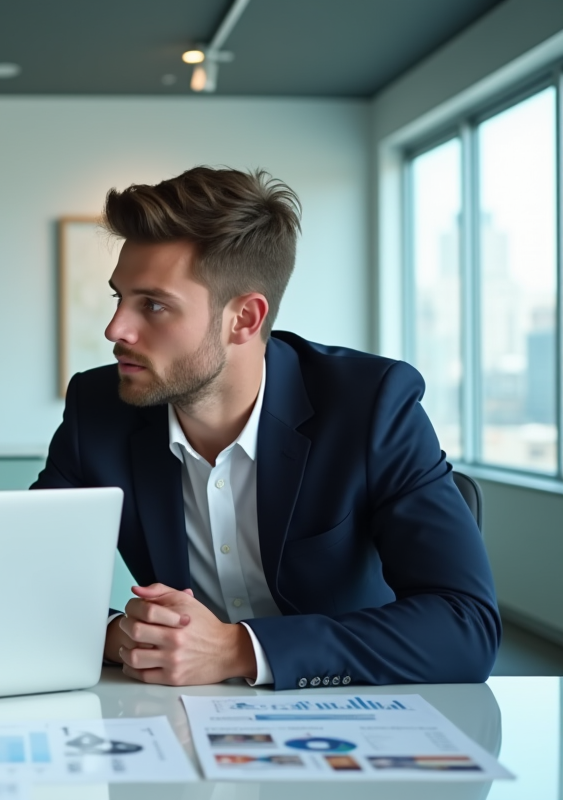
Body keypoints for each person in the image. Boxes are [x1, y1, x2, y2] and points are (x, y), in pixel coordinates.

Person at [33, 167, 500, 690]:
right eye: (120, 297)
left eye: (154, 305)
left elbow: (466, 626)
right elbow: (27, 582)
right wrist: (120, 634)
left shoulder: (371, 406)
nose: (115, 328)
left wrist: (238, 649)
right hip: (180, 716)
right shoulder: (98, 408)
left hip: (354, 713)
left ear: (246, 319)